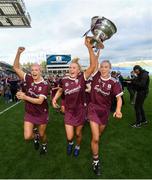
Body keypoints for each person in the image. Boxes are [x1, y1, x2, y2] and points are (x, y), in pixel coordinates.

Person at [52, 37, 99, 157]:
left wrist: (89, 47)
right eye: (70, 67)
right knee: (69, 136)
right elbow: (61, 90)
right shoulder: (64, 79)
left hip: (80, 111)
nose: (71, 69)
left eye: (74, 68)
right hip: (68, 111)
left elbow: (93, 65)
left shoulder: (82, 78)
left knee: (78, 134)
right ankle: (71, 143)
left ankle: (77, 146)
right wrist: (54, 99)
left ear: (78, 70)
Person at [88, 60, 123, 175]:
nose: (103, 69)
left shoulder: (114, 82)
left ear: (110, 68)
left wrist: (118, 110)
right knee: (96, 138)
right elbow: (94, 59)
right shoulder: (96, 76)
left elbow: (119, 99)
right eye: (102, 67)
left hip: (104, 112)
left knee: (97, 136)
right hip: (93, 109)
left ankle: (94, 144)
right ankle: (96, 161)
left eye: (106, 67)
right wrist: (95, 47)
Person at [13, 47, 49, 155]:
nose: (34, 72)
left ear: (40, 71)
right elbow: (15, 67)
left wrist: (24, 97)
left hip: (42, 113)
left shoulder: (45, 84)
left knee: (43, 135)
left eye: (36, 70)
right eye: (32, 70)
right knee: (27, 136)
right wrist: (18, 53)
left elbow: (39, 101)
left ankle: (44, 144)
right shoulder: (28, 78)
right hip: (29, 112)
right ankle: (35, 136)